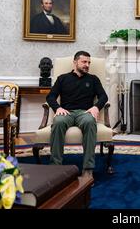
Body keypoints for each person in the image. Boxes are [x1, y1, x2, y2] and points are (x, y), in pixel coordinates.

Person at [46, 51, 108, 181]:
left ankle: (88, 170)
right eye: (84, 62)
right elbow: (50, 96)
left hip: (85, 113)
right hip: (66, 112)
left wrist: (96, 107)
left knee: (91, 122)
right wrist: (58, 108)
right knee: (57, 122)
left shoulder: (93, 79)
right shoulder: (62, 78)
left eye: (89, 62)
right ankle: (55, 168)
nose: (87, 65)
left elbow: (103, 96)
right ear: (75, 62)